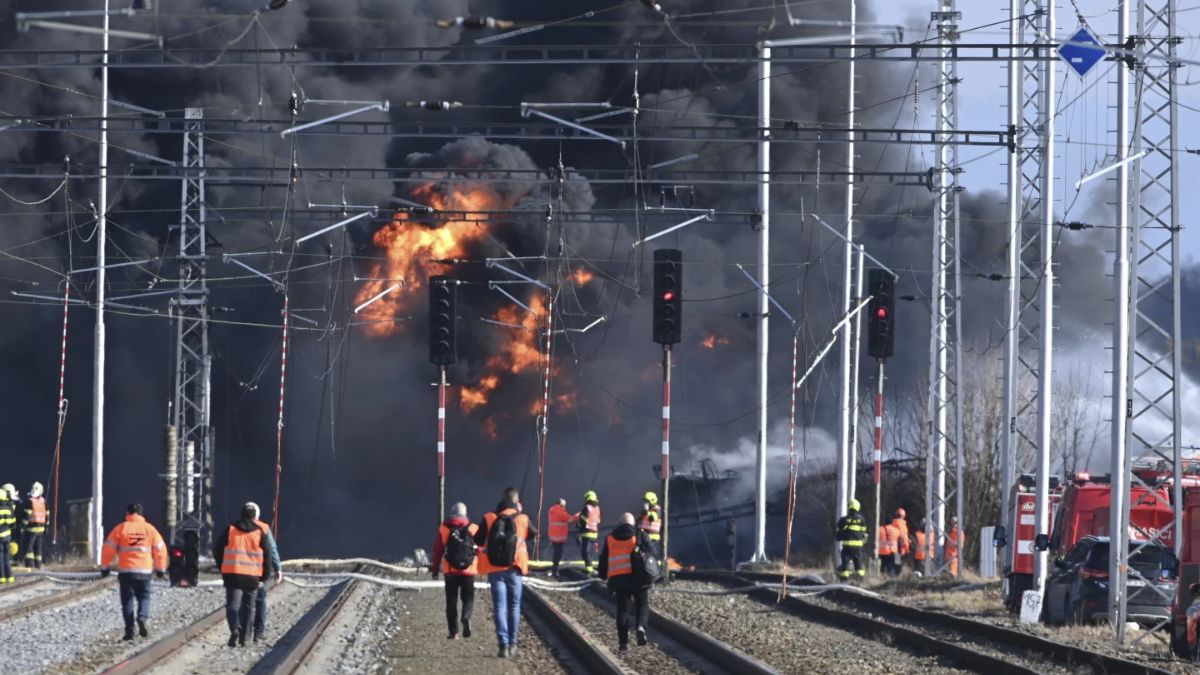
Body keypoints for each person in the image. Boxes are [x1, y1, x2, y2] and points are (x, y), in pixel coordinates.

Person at [474, 486, 536, 658]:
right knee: (514, 606)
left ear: (502, 500)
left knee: (500, 607)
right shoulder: (523, 518)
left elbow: (477, 539)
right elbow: (534, 534)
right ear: (517, 501)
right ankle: (513, 643)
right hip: (515, 568)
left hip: (495, 569)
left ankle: (503, 645)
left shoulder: (489, 517)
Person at [99, 503, 168, 641]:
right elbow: (160, 550)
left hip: (126, 571)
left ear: (128, 514)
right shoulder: (150, 529)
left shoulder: (121, 528)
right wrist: (160, 569)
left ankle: (129, 631)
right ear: (142, 515)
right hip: (144, 571)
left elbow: (108, 549)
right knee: (144, 597)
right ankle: (142, 617)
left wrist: (104, 567)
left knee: (127, 601)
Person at [214, 503, 275, 647]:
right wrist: (264, 577)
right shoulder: (260, 532)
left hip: (233, 575)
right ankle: (245, 638)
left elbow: (217, 549)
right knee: (249, 607)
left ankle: (234, 628)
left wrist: (222, 568)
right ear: (255, 517)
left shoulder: (230, 529)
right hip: (252, 577)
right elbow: (268, 556)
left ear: (241, 514)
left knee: (233, 605)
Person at [599, 512, 652, 652]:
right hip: (638, 579)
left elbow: (603, 559)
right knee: (642, 605)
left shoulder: (610, 538)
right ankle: (640, 627)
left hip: (619, 579)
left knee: (623, 611)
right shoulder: (639, 535)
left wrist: (602, 575)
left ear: (620, 524)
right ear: (632, 523)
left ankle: (623, 644)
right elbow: (651, 553)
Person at [432, 501, 478, 639]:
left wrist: (435, 570)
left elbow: (438, 550)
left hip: (450, 570)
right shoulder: (474, 528)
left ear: (452, 513)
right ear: (465, 513)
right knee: (468, 598)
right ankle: (466, 616)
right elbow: (480, 549)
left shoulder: (444, 528)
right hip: (469, 570)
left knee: (451, 601)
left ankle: (454, 632)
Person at [245, 502, 282, 641]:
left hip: (239, 571)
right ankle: (259, 632)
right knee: (260, 600)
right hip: (256, 571)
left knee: (244, 601)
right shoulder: (264, 528)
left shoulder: (235, 528)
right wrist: (277, 568)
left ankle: (245, 632)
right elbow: (272, 550)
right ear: (257, 516)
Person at [834, 499, 868, 582]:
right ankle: (860, 581)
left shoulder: (844, 520)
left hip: (847, 546)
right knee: (858, 564)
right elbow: (864, 533)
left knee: (845, 563)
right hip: (858, 547)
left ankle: (844, 581)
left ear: (849, 507)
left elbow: (838, 530)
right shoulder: (862, 520)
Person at [19, 482, 48, 569]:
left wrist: (22, 527)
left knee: (29, 549)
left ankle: (30, 567)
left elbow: (26, 516)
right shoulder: (43, 501)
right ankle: (38, 566)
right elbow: (47, 516)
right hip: (41, 530)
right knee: (38, 549)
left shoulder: (29, 501)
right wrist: (46, 528)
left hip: (31, 530)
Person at [577, 490, 601, 574]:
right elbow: (598, 521)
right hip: (594, 534)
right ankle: (591, 568)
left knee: (585, 552)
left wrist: (578, 523)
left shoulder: (586, 508)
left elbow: (582, 521)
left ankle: (589, 569)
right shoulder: (597, 508)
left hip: (586, 533)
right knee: (590, 552)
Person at [547, 498, 571, 577]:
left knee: (556, 554)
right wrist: (578, 515)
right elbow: (570, 519)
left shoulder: (552, 510)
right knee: (558, 554)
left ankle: (554, 569)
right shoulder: (560, 511)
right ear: (560, 504)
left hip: (554, 537)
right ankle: (555, 571)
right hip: (559, 537)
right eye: (564, 505)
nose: (564, 506)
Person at [637, 491, 662, 559]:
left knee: (653, 556)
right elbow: (639, 521)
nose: (645, 503)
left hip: (653, 539)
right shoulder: (644, 511)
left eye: (647, 501)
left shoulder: (657, 509)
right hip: (643, 539)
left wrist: (646, 511)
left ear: (651, 501)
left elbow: (652, 518)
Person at [0, 485, 14, 584]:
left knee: (0, 558)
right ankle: (10, 577)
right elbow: (13, 523)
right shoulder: (8, 508)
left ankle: (2, 577)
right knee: (7, 557)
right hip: (7, 536)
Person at [891, 508, 910, 574]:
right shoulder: (902, 524)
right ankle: (897, 574)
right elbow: (902, 535)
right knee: (898, 562)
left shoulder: (895, 523)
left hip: (898, 545)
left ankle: (896, 574)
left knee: (897, 561)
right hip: (901, 545)